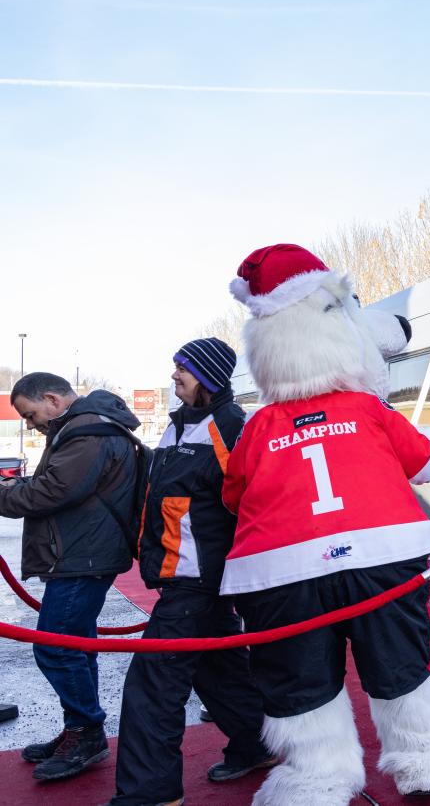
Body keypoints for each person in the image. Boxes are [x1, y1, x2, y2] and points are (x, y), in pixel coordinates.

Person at [223, 244, 430, 802]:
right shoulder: (368, 409)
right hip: (381, 552)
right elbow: (427, 462)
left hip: (281, 567)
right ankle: (425, 759)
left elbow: (235, 492)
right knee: (399, 661)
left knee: (299, 676)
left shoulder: (259, 425)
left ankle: (316, 778)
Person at [109, 338, 274, 806]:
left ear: (209, 375)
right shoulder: (179, 426)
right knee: (218, 669)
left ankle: (149, 793)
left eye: (183, 368)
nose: (174, 374)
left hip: (199, 580)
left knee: (151, 687)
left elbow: (251, 501)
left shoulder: (230, 425)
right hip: (187, 576)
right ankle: (257, 744)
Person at [0, 372, 139, 781]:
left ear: (52, 399)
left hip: (83, 556)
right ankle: (80, 728)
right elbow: (54, 485)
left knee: (56, 647)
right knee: (76, 645)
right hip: (84, 554)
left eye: (30, 414)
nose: (31, 423)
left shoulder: (85, 431)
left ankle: (87, 733)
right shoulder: (85, 426)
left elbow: (51, 491)